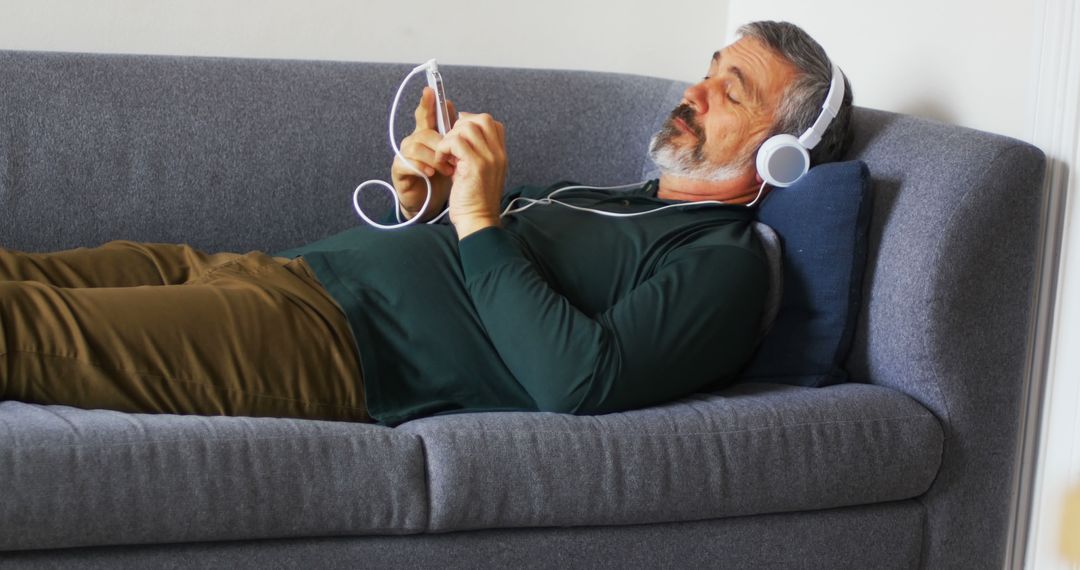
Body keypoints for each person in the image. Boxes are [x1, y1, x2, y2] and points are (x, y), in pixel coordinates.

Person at [0, 21, 853, 426]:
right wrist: (429, 196)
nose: (694, 93)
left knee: (27, 328)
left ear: (783, 154)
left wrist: (478, 217)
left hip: (330, 346)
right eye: (706, 72)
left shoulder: (726, 264)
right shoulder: (619, 197)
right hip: (279, 275)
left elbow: (580, 381)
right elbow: (478, 271)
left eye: (730, 92)